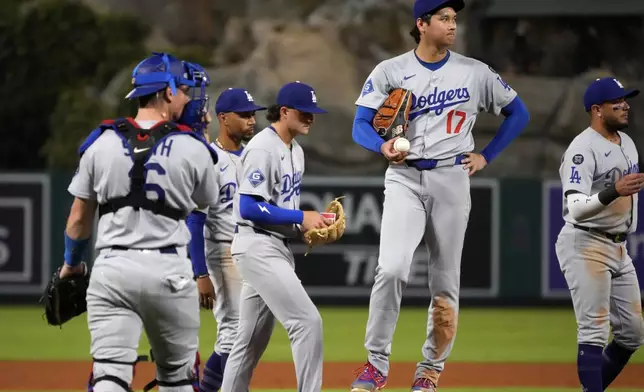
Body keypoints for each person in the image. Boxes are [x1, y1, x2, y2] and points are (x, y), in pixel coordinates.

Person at [349, 0, 530, 391]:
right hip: (404, 175)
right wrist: (381, 148)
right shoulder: (391, 71)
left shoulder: (474, 72)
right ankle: (375, 365)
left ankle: (430, 371)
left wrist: (487, 155)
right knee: (392, 267)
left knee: (445, 282)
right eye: (444, 18)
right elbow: (360, 125)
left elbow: (519, 113)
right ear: (422, 23)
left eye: (454, 19)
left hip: (451, 177)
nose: (452, 25)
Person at [59, 52, 219, 392]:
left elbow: (77, 220)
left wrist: (71, 265)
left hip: (112, 270)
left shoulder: (99, 142)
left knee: (109, 376)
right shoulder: (191, 147)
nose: (188, 98)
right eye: (185, 90)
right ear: (168, 91)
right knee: (178, 380)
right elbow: (206, 201)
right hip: (169, 274)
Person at [220, 82, 331, 392]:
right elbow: (249, 207)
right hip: (257, 245)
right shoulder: (262, 147)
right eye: (304, 112)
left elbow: (279, 208)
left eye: (313, 113)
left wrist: (309, 226)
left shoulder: (296, 151)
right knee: (307, 323)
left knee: (249, 343)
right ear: (284, 112)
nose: (310, 118)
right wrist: (300, 217)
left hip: (275, 246)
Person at [555, 77, 644, 392]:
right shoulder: (582, 148)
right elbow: (576, 208)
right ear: (596, 109)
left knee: (633, 334)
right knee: (593, 332)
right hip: (586, 242)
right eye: (617, 101)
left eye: (626, 99)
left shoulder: (627, 142)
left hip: (619, 247)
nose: (625, 105)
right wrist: (613, 190)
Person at [187, 88, 267, 392]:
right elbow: (195, 219)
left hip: (251, 248)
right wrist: (200, 273)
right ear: (223, 118)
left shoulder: (253, 154)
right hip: (221, 250)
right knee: (233, 331)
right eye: (244, 115)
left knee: (252, 331)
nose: (251, 120)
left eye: (253, 114)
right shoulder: (210, 158)